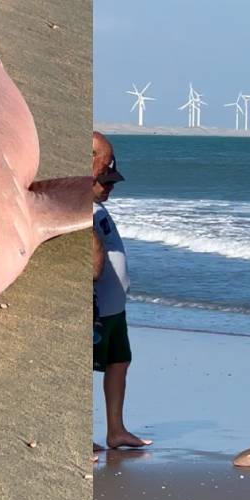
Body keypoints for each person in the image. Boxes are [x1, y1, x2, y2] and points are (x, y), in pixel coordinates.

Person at [92, 131, 151, 450]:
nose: (112, 186)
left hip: (114, 309)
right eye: (107, 180)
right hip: (97, 308)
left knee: (119, 362)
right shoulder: (85, 207)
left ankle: (116, 430)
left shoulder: (98, 205)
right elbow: (92, 259)